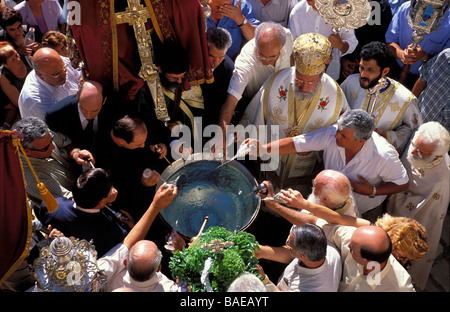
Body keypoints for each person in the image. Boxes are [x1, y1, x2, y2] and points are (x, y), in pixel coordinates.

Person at [244, 109, 409, 222]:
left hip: (363, 208)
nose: (335, 136)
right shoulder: (332, 134)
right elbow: (296, 144)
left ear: (360, 141)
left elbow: (403, 183)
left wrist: (372, 191)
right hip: (323, 203)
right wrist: (264, 149)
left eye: (343, 135)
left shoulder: (383, 155)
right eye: (338, 130)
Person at [240, 33, 349, 192]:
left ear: (322, 72)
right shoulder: (278, 81)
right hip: (271, 164)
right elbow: (256, 117)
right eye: (299, 79)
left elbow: (342, 139)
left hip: (306, 172)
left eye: (311, 82)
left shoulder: (335, 95)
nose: (304, 87)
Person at [259, 181, 429, 275]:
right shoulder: (361, 232)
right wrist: (287, 204)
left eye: (406, 261)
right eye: (401, 257)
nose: (403, 262)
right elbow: (324, 220)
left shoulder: (394, 277)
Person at [387, 121, 450, 290]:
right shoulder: (420, 139)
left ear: (437, 157)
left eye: (421, 153)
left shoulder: (440, 183)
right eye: (415, 145)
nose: (413, 151)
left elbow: (414, 216)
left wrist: (395, 188)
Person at [340, 41, 422, 154]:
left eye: (370, 70)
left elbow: (415, 131)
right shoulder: (351, 82)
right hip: (344, 150)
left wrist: (389, 137)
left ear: (385, 71)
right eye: (361, 67)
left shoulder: (405, 99)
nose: (363, 74)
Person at [97, 182, 180, 292]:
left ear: (126, 262)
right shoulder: (168, 288)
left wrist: (155, 206)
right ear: (159, 268)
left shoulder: (104, 278)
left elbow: (127, 245)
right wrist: (180, 253)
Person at [33, 168, 130, 258]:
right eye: (111, 188)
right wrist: (132, 226)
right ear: (100, 203)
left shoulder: (53, 206)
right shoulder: (113, 232)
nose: (114, 190)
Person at [219, 22, 293, 132]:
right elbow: (230, 103)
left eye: (272, 57)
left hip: (284, 101)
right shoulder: (246, 62)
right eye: (261, 55)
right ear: (256, 44)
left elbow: (293, 58)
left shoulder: (286, 35)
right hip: (253, 105)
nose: (267, 61)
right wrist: (221, 135)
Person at [95, 114, 168, 222]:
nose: (143, 145)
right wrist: (143, 185)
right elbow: (120, 194)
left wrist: (160, 146)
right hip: (137, 202)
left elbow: (155, 136)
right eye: (139, 144)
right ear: (121, 141)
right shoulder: (103, 158)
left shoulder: (131, 128)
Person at [11, 116, 92, 207]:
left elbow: (64, 141)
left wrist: (75, 153)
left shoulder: (44, 136)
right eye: (46, 148)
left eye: (51, 141)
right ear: (27, 152)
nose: (53, 147)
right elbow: (71, 203)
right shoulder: (32, 179)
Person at [256, 223, 342, 292]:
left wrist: (264, 280)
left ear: (301, 255)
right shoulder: (327, 248)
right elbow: (291, 255)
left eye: (289, 244)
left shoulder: (307, 288)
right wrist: (262, 252)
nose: (287, 243)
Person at [385, 0, 450, 90]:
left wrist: (424, 56)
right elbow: (390, 41)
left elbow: (445, 63)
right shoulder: (405, 8)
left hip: (422, 82)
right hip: (393, 70)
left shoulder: (448, 21)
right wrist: (402, 55)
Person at [288, 0, 358, 80]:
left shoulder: (342, 11)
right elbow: (292, 48)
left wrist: (340, 44)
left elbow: (352, 43)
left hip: (330, 77)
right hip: (302, 76)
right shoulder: (297, 12)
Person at [45, 80, 113, 157]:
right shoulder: (56, 115)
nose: (88, 116)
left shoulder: (112, 109)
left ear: (104, 101)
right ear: (77, 96)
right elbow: (56, 141)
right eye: (83, 109)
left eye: (95, 110)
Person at [18, 47, 81, 120]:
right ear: (40, 75)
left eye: (64, 68)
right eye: (56, 74)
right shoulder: (35, 100)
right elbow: (60, 123)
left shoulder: (58, 62)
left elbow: (81, 75)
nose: (64, 74)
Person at [201, 26, 235, 128]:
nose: (216, 62)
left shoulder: (228, 69)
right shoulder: (194, 62)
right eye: (211, 56)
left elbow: (227, 105)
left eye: (221, 57)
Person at [411, 48, 450, 132]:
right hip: (412, 121)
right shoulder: (446, 57)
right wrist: (408, 107)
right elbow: (422, 79)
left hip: (434, 141)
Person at [0, 41, 30, 128]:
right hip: (27, 107)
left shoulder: (27, 59)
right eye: (13, 59)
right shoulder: (3, 77)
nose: (18, 59)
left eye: (16, 55)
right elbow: (19, 103)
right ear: (5, 64)